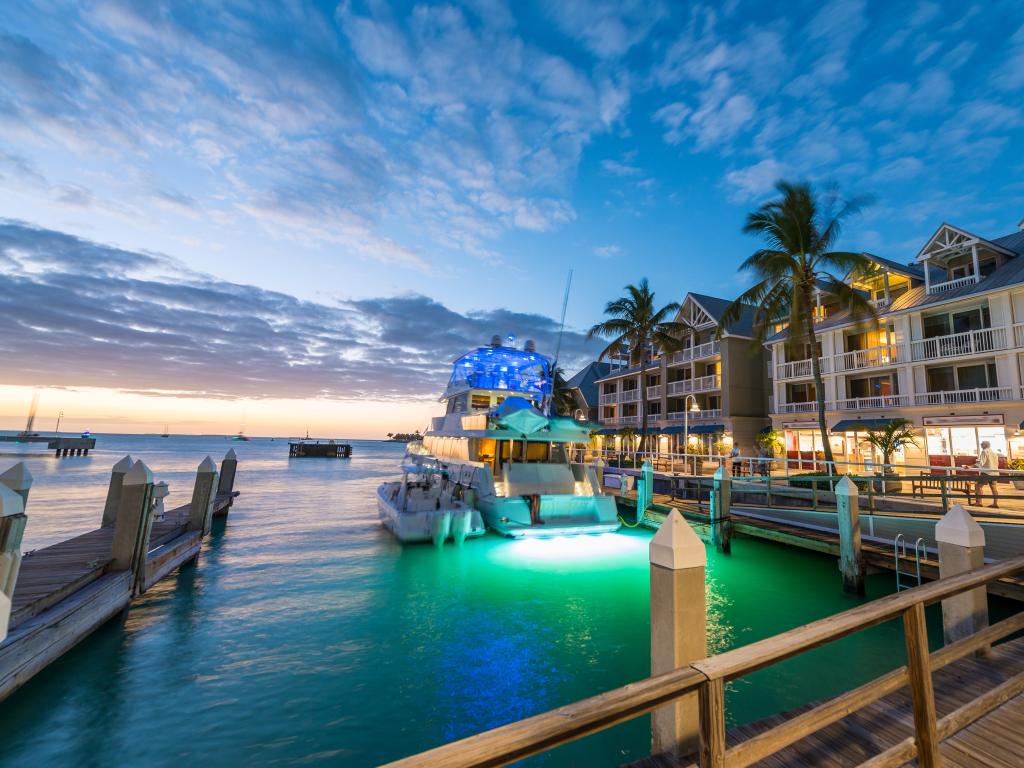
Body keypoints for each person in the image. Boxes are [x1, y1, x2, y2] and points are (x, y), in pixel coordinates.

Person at [975, 440, 1000, 508]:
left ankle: (979, 502)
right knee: (993, 488)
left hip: (986, 472)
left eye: (981, 444)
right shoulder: (994, 453)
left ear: (984, 445)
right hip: (995, 472)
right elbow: (997, 464)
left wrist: (969, 466)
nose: (980, 446)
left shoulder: (984, 451)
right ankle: (995, 503)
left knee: (978, 486)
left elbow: (980, 463)